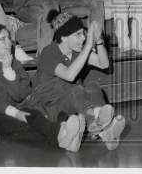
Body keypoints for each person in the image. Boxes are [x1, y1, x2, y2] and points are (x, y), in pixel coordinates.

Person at [0, 25, 87, 152]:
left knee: (34, 115)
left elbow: (21, 95)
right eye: (3, 39)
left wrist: (9, 72)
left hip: (13, 110)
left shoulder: (15, 64)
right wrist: (16, 113)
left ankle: (66, 135)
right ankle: (62, 134)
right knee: (24, 126)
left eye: (9, 38)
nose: (9, 43)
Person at [31, 12, 126, 150]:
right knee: (76, 88)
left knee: (93, 86)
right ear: (63, 37)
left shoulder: (76, 50)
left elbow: (104, 64)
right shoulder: (49, 52)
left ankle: (102, 128)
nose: (83, 38)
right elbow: (69, 76)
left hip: (71, 101)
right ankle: (99, 126)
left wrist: (98, 40)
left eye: (84, 33)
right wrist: (88, 46)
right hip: (50, 107)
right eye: (78, 34)